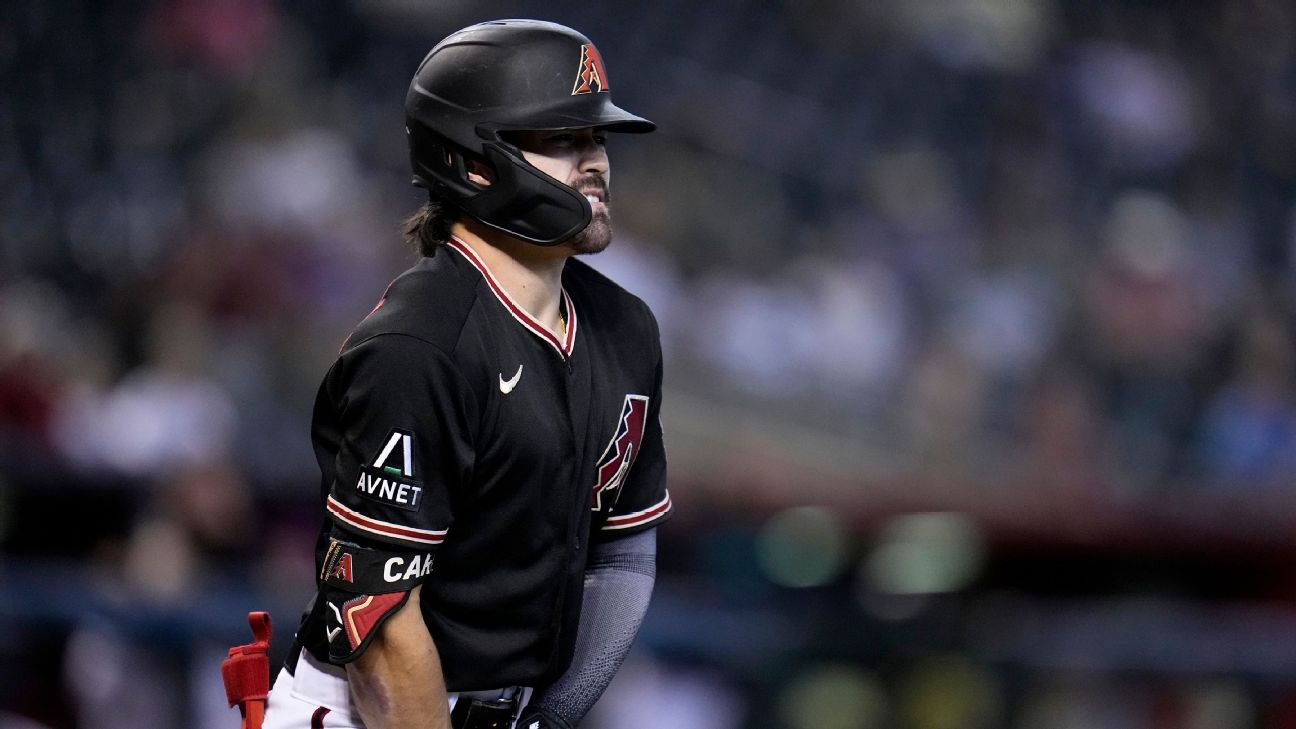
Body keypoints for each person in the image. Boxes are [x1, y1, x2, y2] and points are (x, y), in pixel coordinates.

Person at [260, 19, 672, 729]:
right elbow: (379, 628)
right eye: (562, 139)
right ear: (476, 162)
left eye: (597, 138)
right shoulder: (420, 345)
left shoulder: (624, 327)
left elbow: (624, 555)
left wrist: (554, 713)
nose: (596, 161)